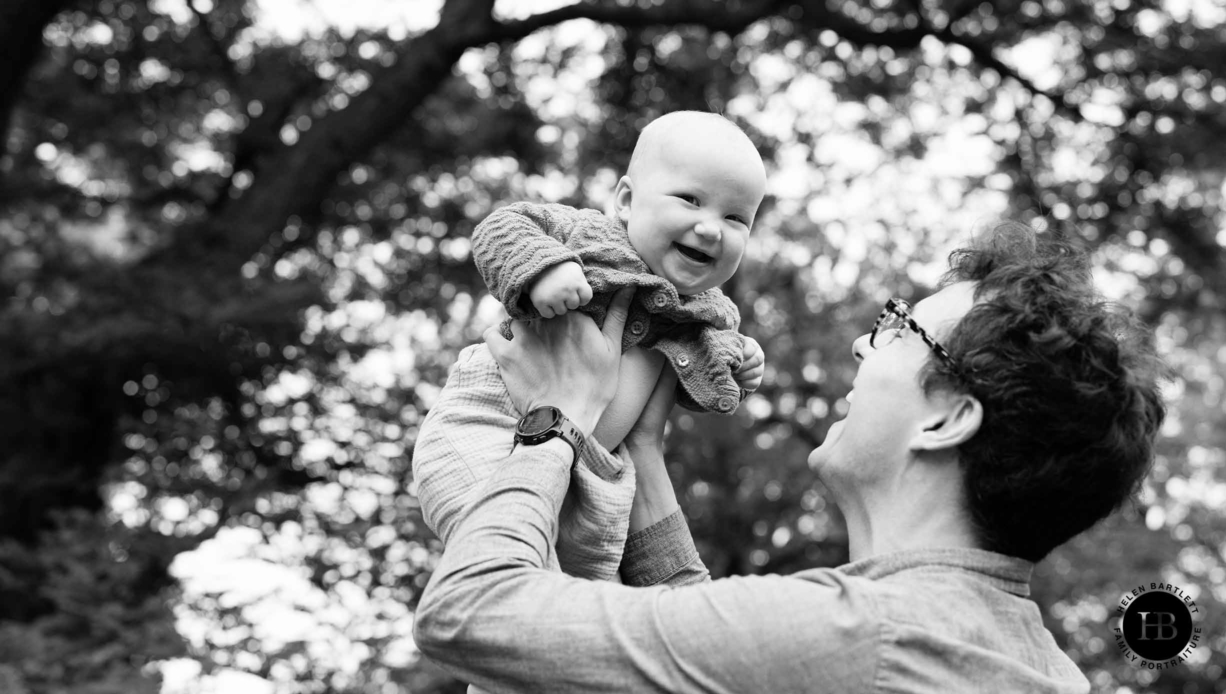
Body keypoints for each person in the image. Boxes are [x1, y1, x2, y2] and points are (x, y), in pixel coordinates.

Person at [413, 223, 1166, 693]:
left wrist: (562, 413)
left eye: (899, 332)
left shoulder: (864, 639)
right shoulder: (1037, 667)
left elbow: (467, 612)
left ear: (948, 418)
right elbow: (704, 636)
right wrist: (640, 448)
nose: (864, 345)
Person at [412, 111, 769, 582]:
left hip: (596, 468)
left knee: (586, 587)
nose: (711, 228)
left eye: (735, 218)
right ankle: (493, 575)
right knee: (499, 550)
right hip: (490, 419)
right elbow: (500, 227)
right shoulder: (587, 234)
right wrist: (543, 268)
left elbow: (697, 381)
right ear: (625, 200)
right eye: (690, 200)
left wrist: (736, 367)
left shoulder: (710, 312)